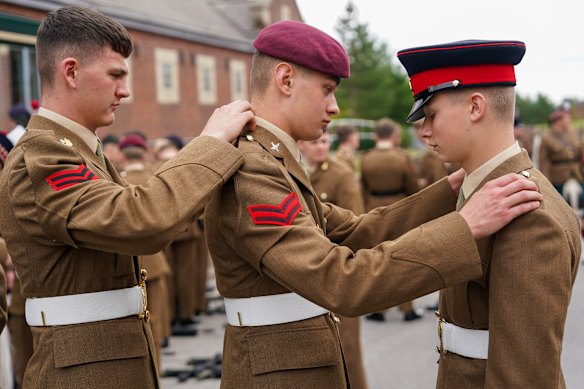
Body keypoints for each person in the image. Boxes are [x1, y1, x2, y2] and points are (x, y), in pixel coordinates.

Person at [203, 21, 542, 388]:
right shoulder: (253, 170)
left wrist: (448, 191)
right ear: (285, 80)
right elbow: (340, 282)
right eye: (327, 90)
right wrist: (464, 227)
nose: (334, 107)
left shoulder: (275, 162)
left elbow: (355, 232)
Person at [0, 6, 254, 389]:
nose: (126, 90)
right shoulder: (45, 157)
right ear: (70, 71)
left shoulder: (80, 149)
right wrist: (210, 143)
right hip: (82, 375)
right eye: (115, 75)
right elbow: (141, 222)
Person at [397, 39, 580, 388]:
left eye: (430, 115)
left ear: (475, 107)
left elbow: (521, 377)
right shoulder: (483, 191)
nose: (423, 131)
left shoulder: (528, 216)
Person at [298, 130, 368, 389]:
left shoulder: (341, 174)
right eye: (315, 142)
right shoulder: (296, 173)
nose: (321, 147)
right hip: (307, 274)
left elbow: (355, 224)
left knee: (347, 352)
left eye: (325, 141)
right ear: (302, 144)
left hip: (337, 268)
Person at [118, 134, 172, 371]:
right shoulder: (154, 178)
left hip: (128, 263)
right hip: (155, 262)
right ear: (144, 154)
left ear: (122, 155)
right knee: (155, 324)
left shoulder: (118, 181)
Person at [360, 117, 422, 322]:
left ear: (377, 136)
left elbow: (363, 187)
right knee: (403, 258)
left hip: (373, 208)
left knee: (377, 260)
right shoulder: (402, 157)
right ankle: (407, 309)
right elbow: (412, 185)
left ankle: (378, 308)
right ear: (393, 136)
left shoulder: (366, 158)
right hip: (399, 208)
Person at [539, 109, 584, 209]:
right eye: (567, 118)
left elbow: (581, 154)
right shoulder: (546, 138)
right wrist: (547, 185)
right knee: (562, 207)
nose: (569, 120)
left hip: (577, 175)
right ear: (558, 121)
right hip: (558, 178)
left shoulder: (574, 133)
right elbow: (544, 163)